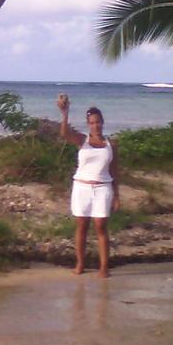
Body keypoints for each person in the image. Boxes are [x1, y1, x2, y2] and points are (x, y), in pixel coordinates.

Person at [57, 94, 119, 277]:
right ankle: (80, 264)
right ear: (88, 124)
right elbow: (64, 134)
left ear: (103, 122)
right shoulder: (82, 140)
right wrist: (65, 113)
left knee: (101, 226)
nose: (96, 125)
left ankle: (104, 267)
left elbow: (115, 171)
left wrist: (117, 196)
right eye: (92, 123)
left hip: (103, 188)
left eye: (98, 122)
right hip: (82, 187)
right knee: (82, 226)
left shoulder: (111, 144)